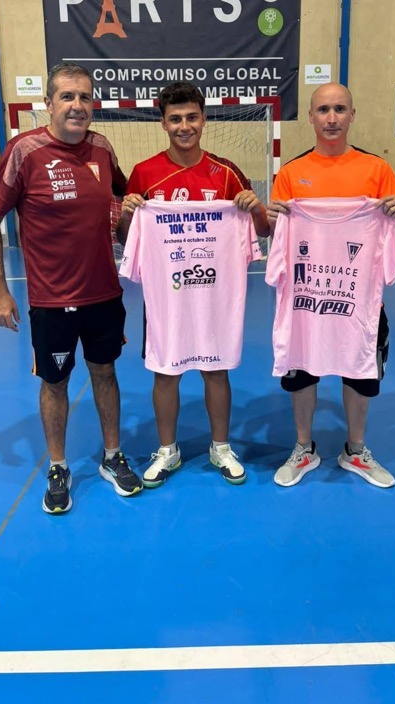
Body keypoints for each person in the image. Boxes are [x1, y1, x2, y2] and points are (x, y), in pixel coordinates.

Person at [0, 61, 142, 514]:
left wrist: (130, 219)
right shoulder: (24, 150)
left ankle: (112, 456)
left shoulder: (102, 148)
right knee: (55, 383)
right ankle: (58, 466)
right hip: (51, 300)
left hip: (104, 294)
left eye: (85, 97)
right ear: (48, 103)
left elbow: (124, 200)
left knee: (105, 373)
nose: (77, 105)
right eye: (67, 96)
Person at [116, 82, 269, 488]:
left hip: (214, 293)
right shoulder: (144, 173)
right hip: (167, 296)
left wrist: (255, 209)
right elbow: (125, 238)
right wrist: (128, 214)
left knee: (215, 370)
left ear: (204, 119)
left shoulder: (227, 172)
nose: (184, 126)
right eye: (175, 119)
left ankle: (221, 446)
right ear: (163, 124)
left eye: (192, 118)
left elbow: (262, 230)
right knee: (165, 372)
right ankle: (168, 450)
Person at [267, 82, 395, 489]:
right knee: (301, 371)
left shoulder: (376, 170)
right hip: (305, 300)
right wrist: (274, 219)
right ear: (311, 117)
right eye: (323, 110)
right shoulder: (291, 173)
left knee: (361, 370)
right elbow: (278, 239)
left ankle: (356, 449)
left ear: (352, 115)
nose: (331, 118)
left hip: (359, 300)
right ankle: (303, 447)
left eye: (340, 109)